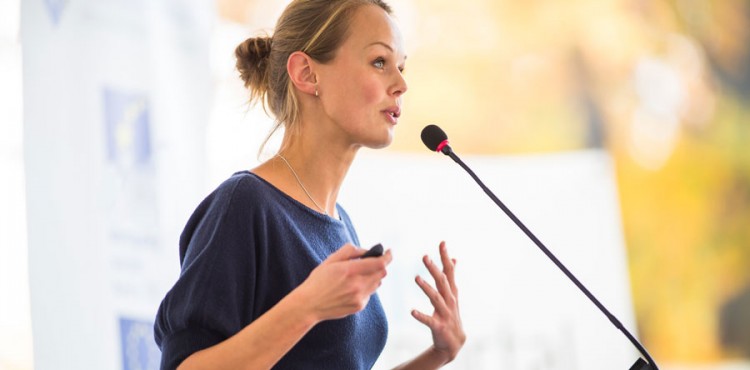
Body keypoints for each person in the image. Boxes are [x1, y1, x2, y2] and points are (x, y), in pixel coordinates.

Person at [153, 0, 466, 369]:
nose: (401, 84)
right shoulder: (245, 205)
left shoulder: (340, 223)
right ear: (306, 73)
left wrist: (438, 355)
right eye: (380, 62)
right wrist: (308, 306)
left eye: (401, 67)